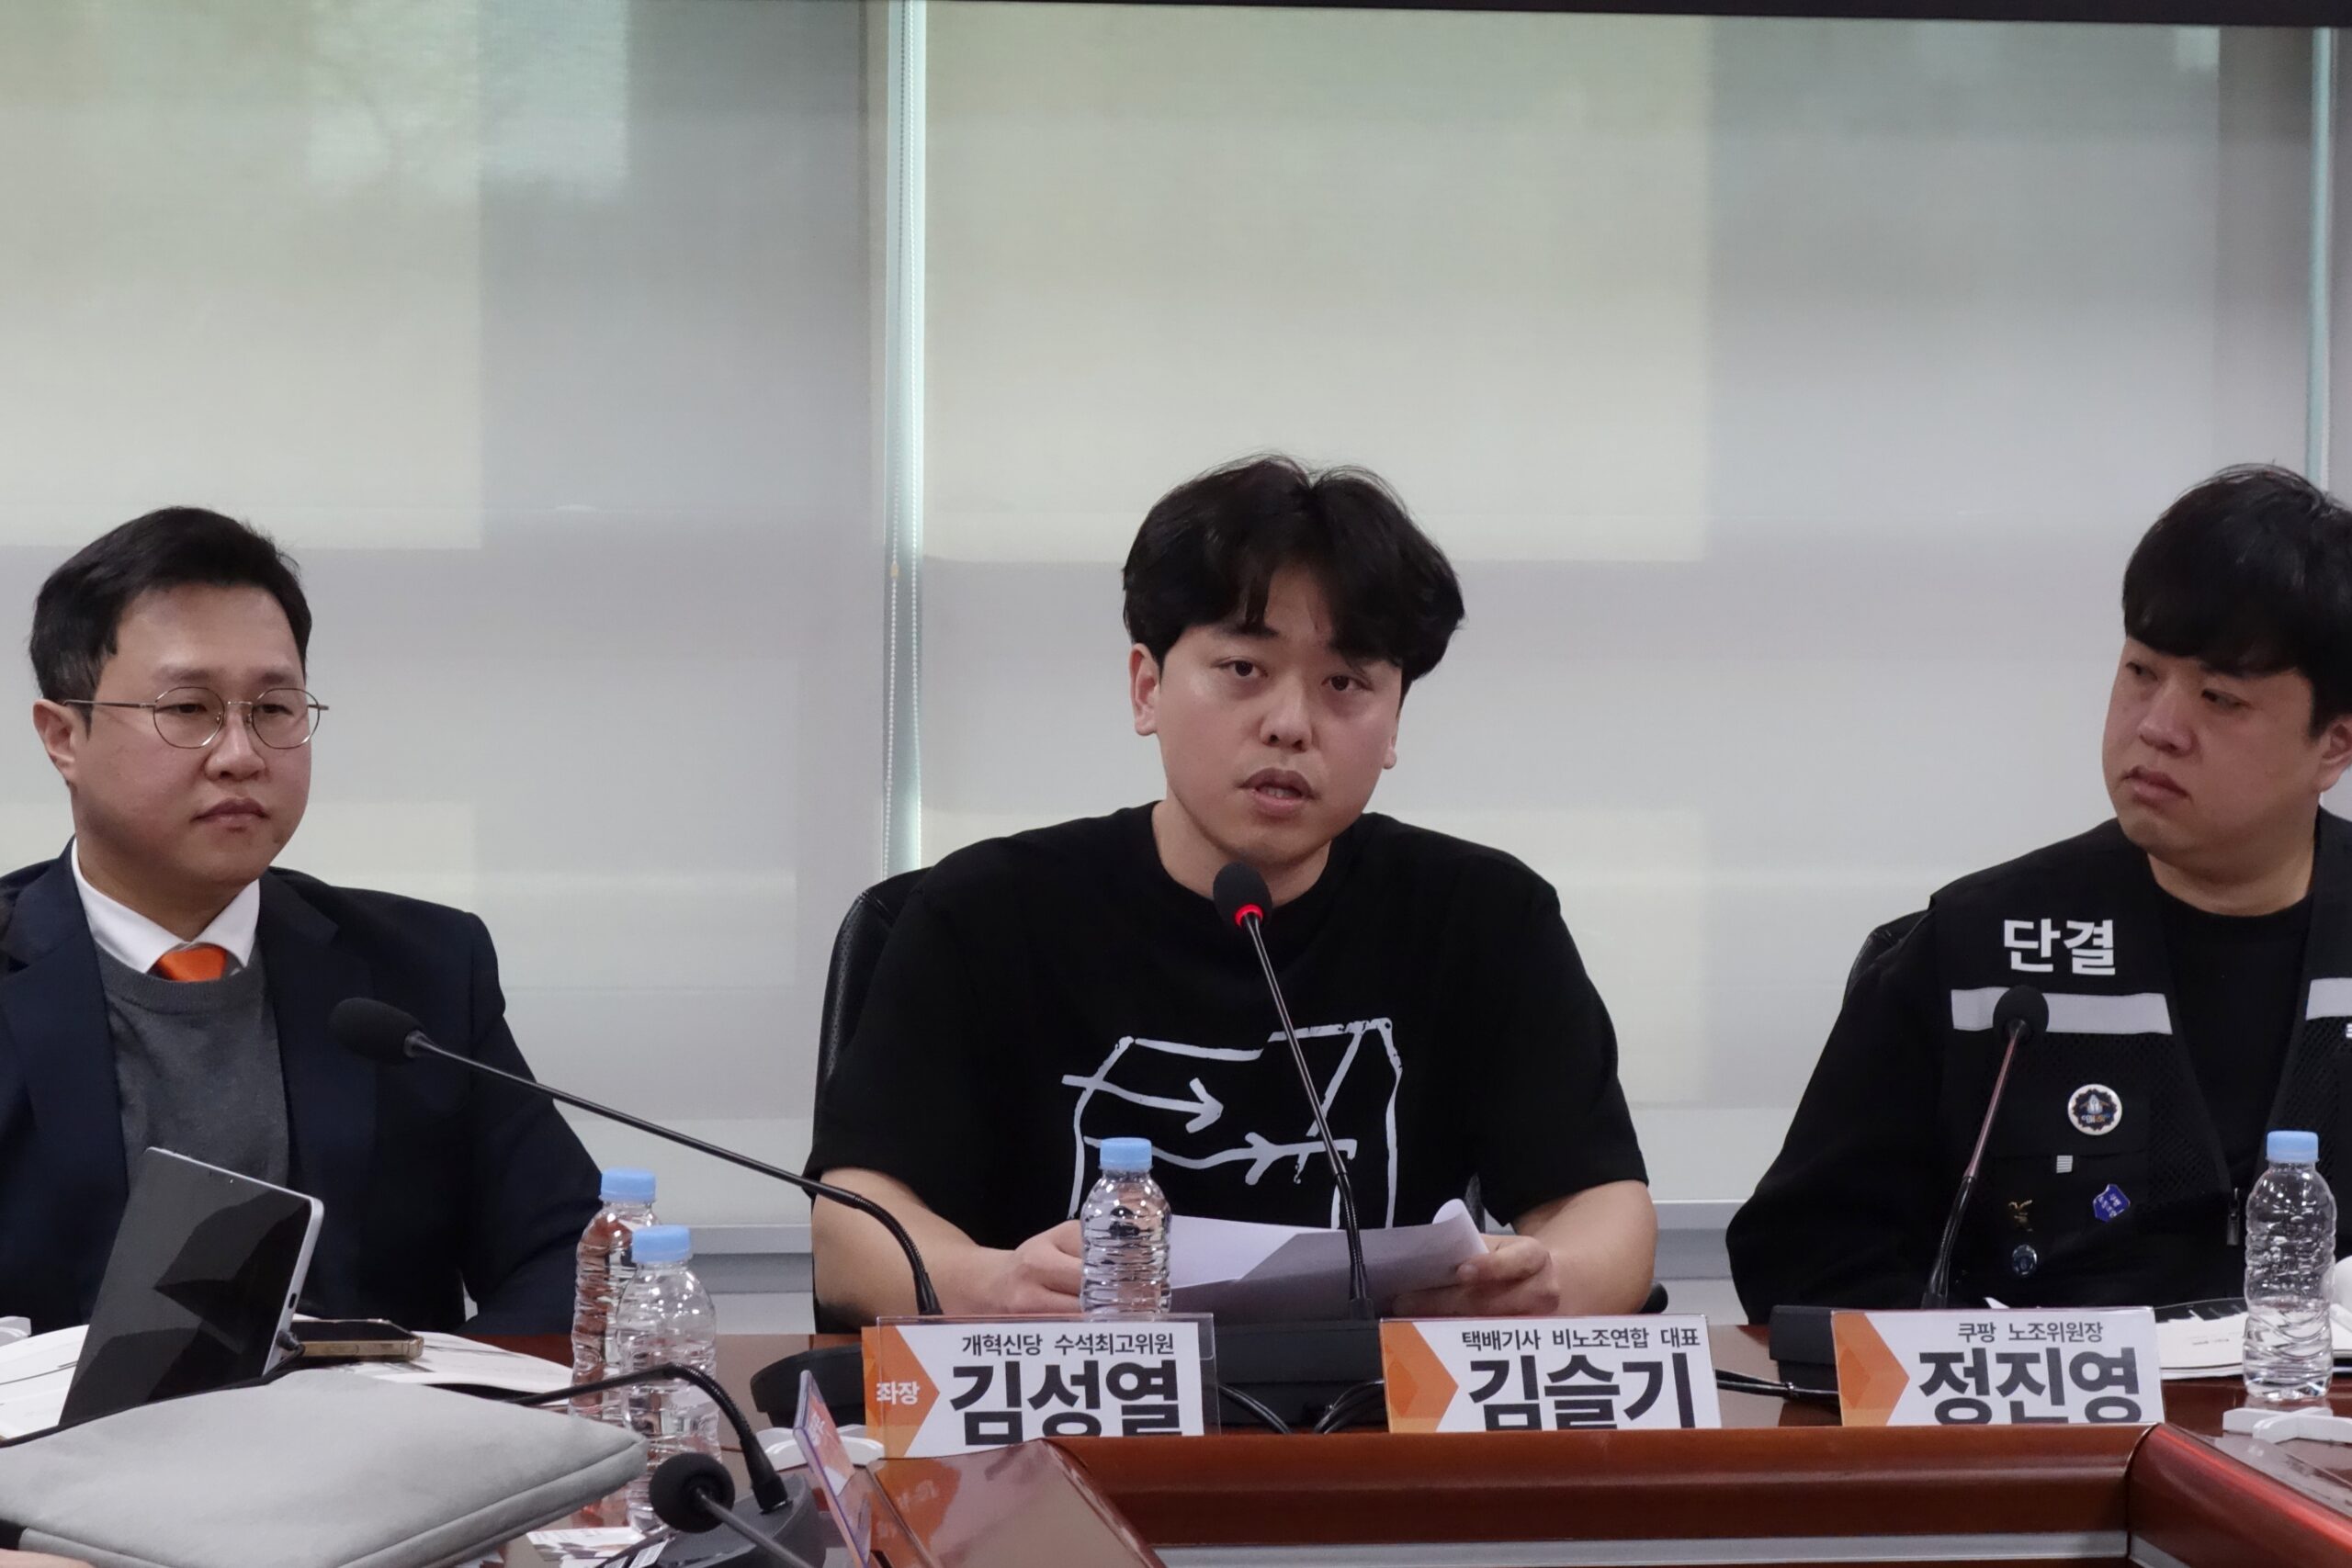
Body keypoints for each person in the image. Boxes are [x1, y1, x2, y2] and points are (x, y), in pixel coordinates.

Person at [809, 455, 1656, 1321]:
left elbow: (1605, 1212)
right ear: (1147, 688)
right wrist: (987, 1284)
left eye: (1345, 683)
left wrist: (1547, 1282)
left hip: (1372, 1401)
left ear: (1395, 719)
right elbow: (852, 1230)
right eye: (1245, 668)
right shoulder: (987, 912)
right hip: (1071, 1399)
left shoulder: (1484, 918)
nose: (1290, 724)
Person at [1730, 465, 2352, 1317]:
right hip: (2046, 1399)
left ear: (2334, 744)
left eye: (2219, 697)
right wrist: (1990, 1359)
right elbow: (1802, 1259)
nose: (2157, 727)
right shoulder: (1980, 948)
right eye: (2141, 672)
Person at [0, 508, 599, 1334]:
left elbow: (566, 1251)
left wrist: (445, 1397)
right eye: (188, 708)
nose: (240, 753)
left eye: (274, 708)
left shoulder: (421, 971)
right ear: (63, 736)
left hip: (381, 1420)